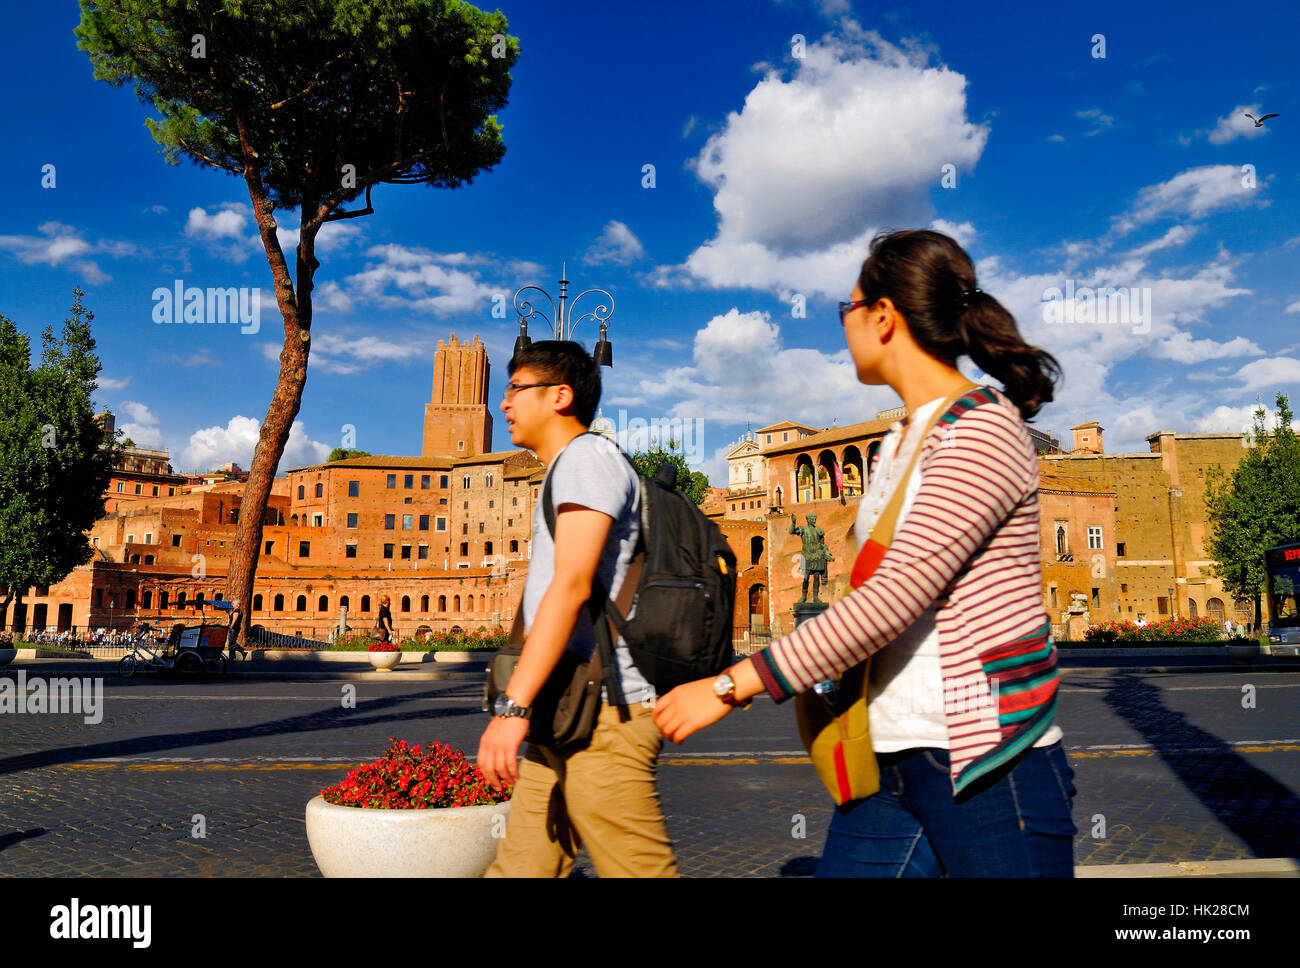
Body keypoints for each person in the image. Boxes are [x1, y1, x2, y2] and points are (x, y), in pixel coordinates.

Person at [654, 228, 1077, 877]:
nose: (842, 325)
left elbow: (896, 596)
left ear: (883, 316)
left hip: (988, 762)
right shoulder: (904, 438)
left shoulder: (985, 428)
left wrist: (733, 684)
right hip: (889, 757)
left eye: (845, 309)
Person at [477, 340, 676, 877]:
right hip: (567, 708)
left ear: (560, 396)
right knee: (521, 869)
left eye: (517, 389)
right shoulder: (569, 467)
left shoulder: (587, 459)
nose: (505, 404)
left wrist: (512, 708)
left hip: (608, 716)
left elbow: (571, 586)